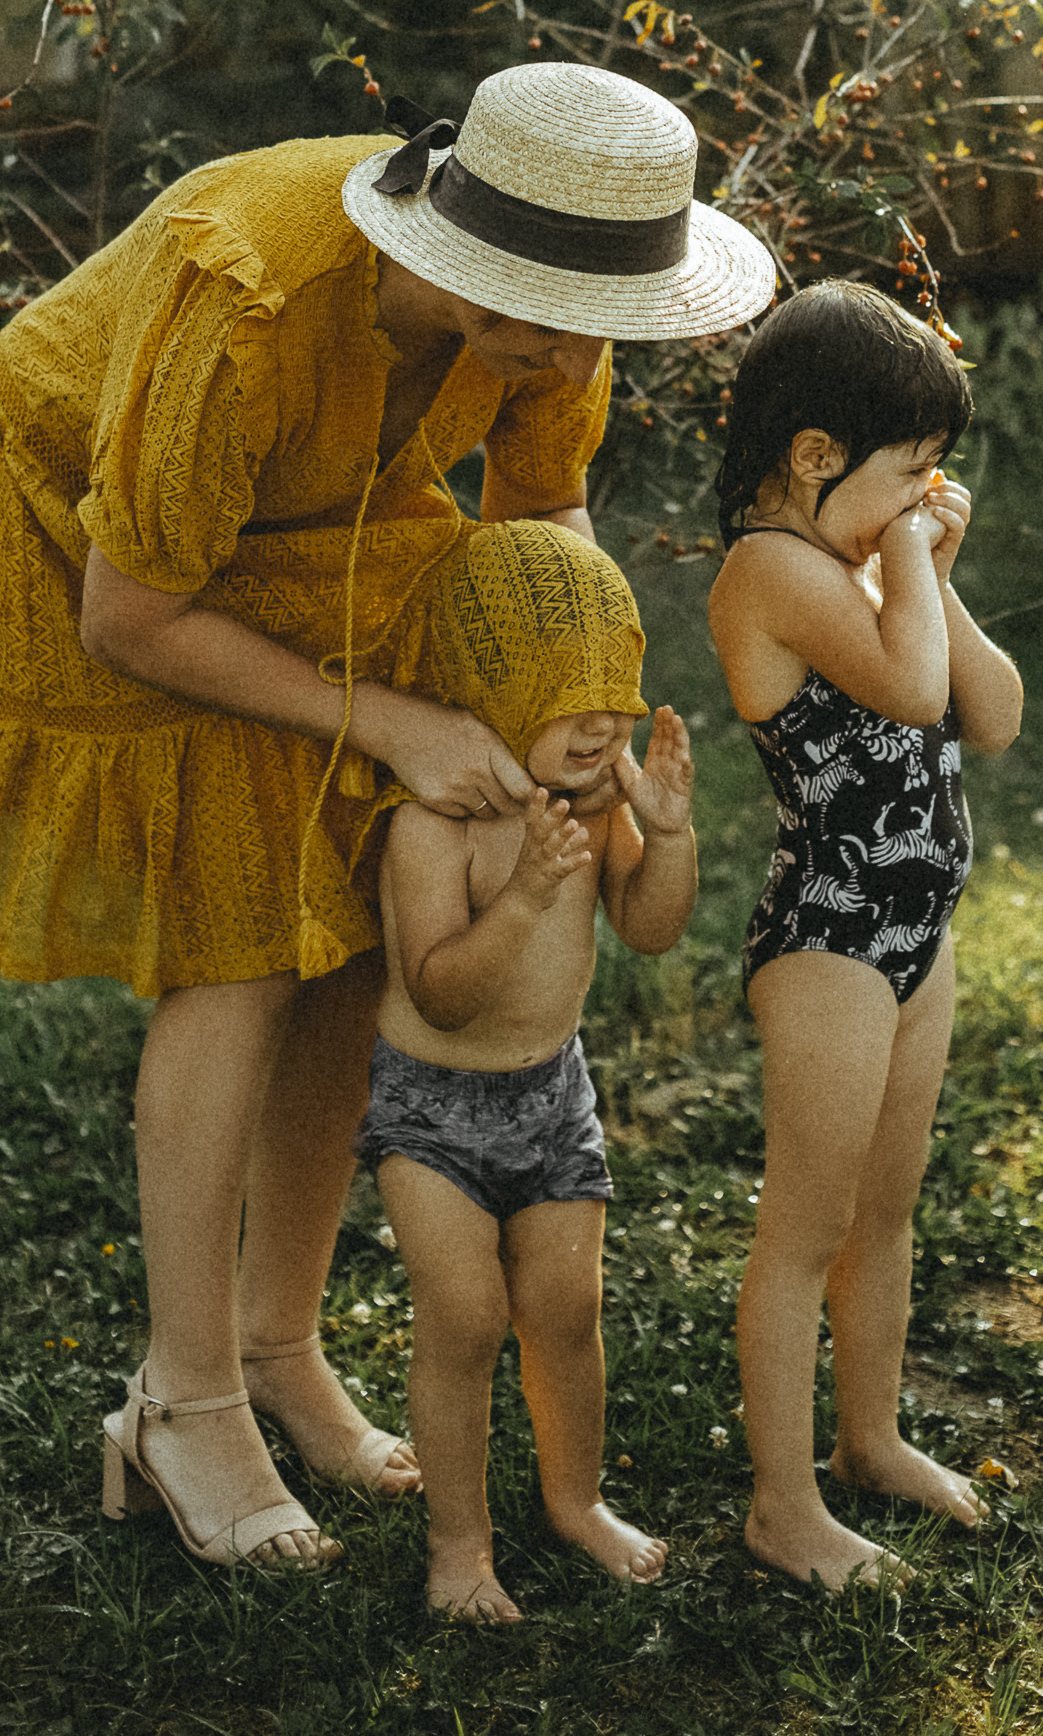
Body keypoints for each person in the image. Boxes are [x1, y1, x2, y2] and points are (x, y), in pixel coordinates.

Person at [0, 61, 772, 1572]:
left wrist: (569, 695)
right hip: (89, 526)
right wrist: (399, 720)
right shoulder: (257, 299)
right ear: (453, 244)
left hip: (324, 516)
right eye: (522, 309)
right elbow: (132, 615)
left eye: (580, 323)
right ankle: (181, 1401)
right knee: (238, 939)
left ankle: (279, 1347)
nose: (550, 354)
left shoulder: (563, 311)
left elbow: (540, 522)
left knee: (351, 929)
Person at [704, 280, 1023, 1595]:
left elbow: (986, 714)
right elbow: (905, 687)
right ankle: (783, 1508)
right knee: (807, 1223)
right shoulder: (768, 573)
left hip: (916, 930)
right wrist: (906, 571)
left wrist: (930, 571)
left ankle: (871, 1437)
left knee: (883, 1213)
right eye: (911, 474)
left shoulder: (869, 568)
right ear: (815, 457)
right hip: (831, 933)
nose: (923, 499)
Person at [357, 520, 696, 1621]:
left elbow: (648, 929)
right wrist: (527, 900)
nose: (605, 722)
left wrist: (670, 836)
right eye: (570, 694)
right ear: (488, 692)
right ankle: (458, 1547)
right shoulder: (435, 825)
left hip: (551, 1097)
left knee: (562, 1307)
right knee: (462, 1317)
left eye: (617, 695)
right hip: (433, 1110)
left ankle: (574, 1500)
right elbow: (441, 986)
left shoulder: (596, 809)